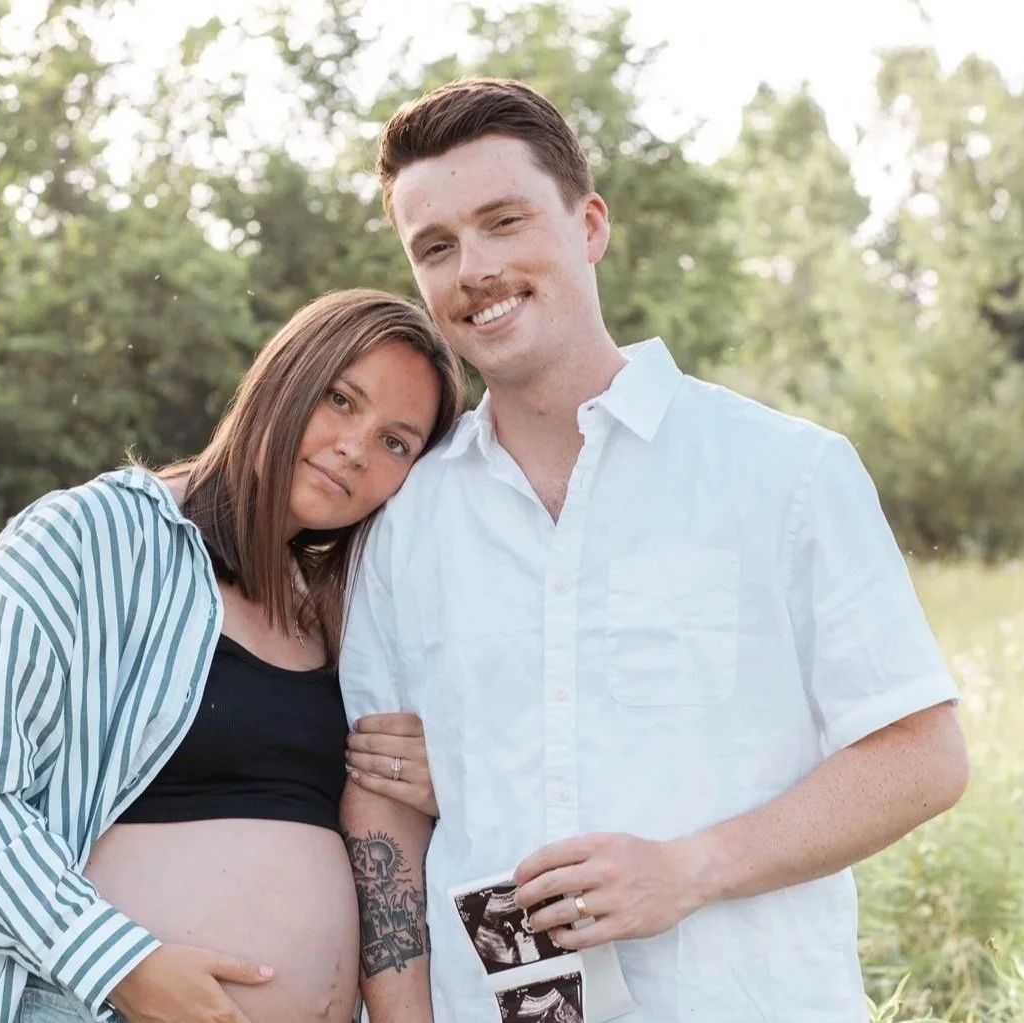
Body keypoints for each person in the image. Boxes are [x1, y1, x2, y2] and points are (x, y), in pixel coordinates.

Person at [338, 79, 970, 1023]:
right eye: (435, 247)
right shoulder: (403, 523)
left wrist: (689, 868)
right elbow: (383, 803)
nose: (472, 267)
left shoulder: (784, 471)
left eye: (504, 221)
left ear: (589, 224)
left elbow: (921, 756)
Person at [0, 288, 466, 1023]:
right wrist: (122, 964)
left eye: (395, 442)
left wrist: (442, 784)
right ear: (286, 377)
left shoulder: (344, 614)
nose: (356, 447)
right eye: (341, 400)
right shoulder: (88, 538)